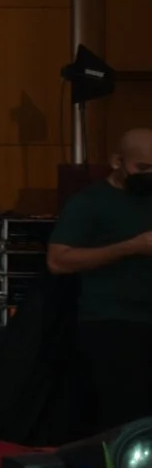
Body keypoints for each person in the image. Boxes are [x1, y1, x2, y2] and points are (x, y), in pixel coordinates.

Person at [46, 126, 152, 431]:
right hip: (113, 322)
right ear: (117, 162)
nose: (148, 175)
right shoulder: (89, 202)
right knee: (123, 418)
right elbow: (58, 260)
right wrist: (130, 247)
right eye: (142, 168)